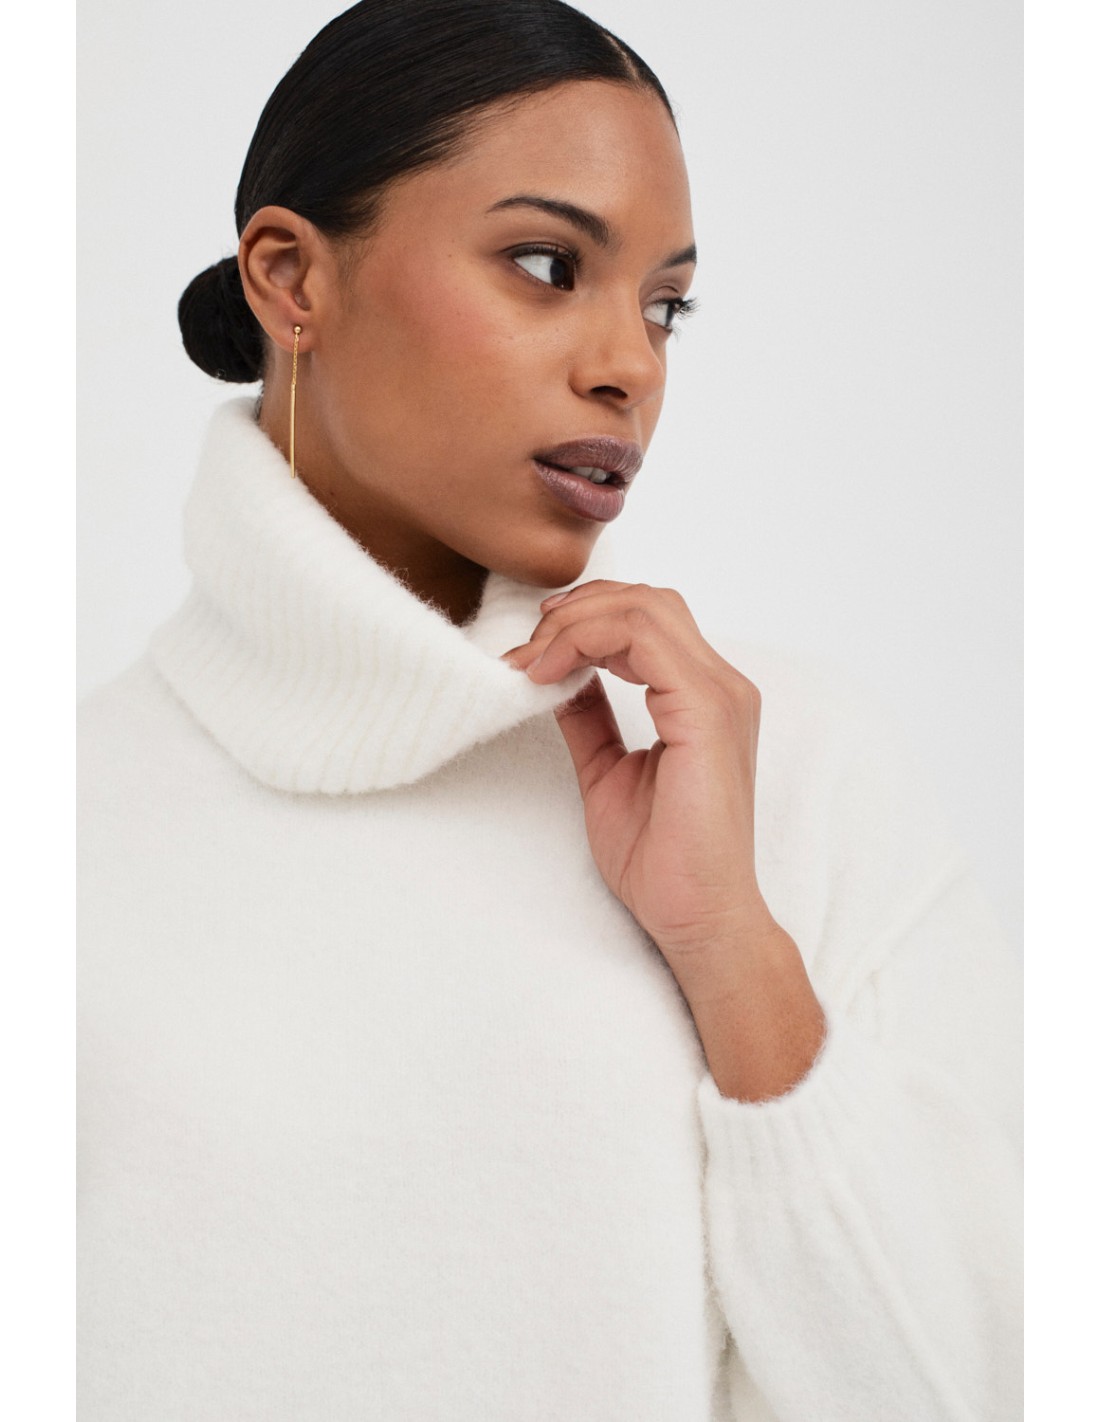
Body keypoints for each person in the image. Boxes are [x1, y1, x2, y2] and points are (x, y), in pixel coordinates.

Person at [76, 1, 1022, 1418]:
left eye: (665, 305)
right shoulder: (67, 828)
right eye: (546, 264)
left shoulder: (787, 772)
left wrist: (730, 948)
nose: (629, 364)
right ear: (291, 278)